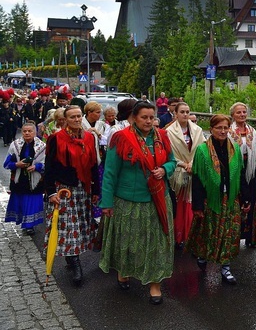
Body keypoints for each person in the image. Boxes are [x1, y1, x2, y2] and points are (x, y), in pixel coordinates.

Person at [99, 101, 177, 305]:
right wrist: (106, 202)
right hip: (128, 201)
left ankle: (155, 284)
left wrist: (165, 170)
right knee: (130, 242)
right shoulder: (121, 138)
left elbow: (172, 161)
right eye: (144, 117)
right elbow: (110, 173)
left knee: (157, 244)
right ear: (134, 117)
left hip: (158, 199)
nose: (149, 121)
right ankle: (124, 272)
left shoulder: (163, 137)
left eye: (152, 117)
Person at [186, 114, 246, 285]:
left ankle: (225, 267)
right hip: (210, 199)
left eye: (226, 127)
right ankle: (203, 256)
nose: (223, 131)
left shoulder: (234, 148)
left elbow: (240, 174)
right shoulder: (202, 151)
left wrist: (245, 197)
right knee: (209, 232)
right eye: (219, 127)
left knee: (229, 233)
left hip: (231, 199)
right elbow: (197, 179)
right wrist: (197, 206)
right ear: (211, 129)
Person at [43, 105, 100, 286]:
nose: (76, 120)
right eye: (72, 117)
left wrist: (96, 190)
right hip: (64, 189)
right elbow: (49, 166)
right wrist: (51, 191)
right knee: (68, 227)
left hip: (82, 188)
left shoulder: (90, 138)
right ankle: (76, 265)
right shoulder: (56, 139)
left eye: (78, 116)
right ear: (65, 119)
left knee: (80, 226)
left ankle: (71, 257)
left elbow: (93, 166)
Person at [166, 102, 205, 247]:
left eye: (187, 111)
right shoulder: (168, 132)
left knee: (193, 203)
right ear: (175, 114)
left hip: (194, 170)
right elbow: (168, 153)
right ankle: (177, 236)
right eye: (182, 112)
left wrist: (193, 164)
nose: (185, 114)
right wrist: (183, 164)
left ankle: (191, 235)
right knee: (178, 205)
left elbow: (202, 149)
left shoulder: (198, 130)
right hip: (177, 172)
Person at [3, 121, 46, 235]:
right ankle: (23, 222)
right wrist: (17, 165)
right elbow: (6, 163)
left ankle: (30, 226)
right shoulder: (15, 145)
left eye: (30, 131)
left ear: (35, 132)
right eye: (24, 131)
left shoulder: (41, 146)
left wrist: (36, 166)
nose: (27, 133)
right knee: (21, 201)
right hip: (19, 178)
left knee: (32, 201)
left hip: (35, 180)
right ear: (21, 132)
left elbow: (46, 163)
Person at [229, 102, 256, 247]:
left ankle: (250, 236)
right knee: (238, 201)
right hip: (236, 170)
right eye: (238, 112)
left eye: (244, 112)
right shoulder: (229, 132)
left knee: (252, 202)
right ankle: (235, 236)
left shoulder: (252, 131)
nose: (242, 115)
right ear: (233, 115)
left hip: (251, 169)